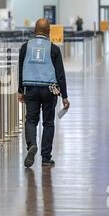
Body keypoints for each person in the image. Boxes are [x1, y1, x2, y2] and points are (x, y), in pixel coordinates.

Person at [18, 18, 70, 168]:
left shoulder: (25, 47)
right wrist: (65, 96)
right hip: (50, 88)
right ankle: (46, 158)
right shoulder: (54, 49)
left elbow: (21, 70)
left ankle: (32, 145)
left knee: (31, 120)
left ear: (34, 30)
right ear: (49, 32)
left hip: (31, 88)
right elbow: (60, 74)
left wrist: (21, 90)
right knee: (48, 123)